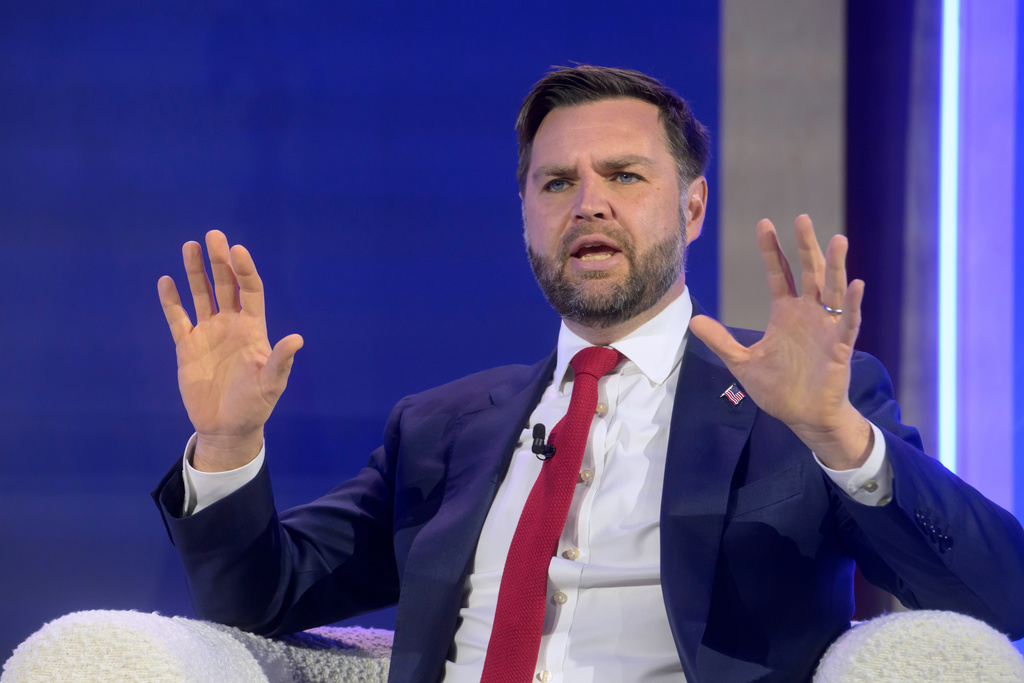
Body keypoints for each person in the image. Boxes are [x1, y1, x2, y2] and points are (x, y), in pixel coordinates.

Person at [153, 66, 1024, 682]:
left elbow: (998, 597)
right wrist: (228, 445)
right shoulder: (443, 427)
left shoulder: (794, 407)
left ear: (691, 206)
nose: (588, 203)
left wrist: (836, 435)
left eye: (624, 175)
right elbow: (258, 598)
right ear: (525, 215)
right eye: (556, 182)